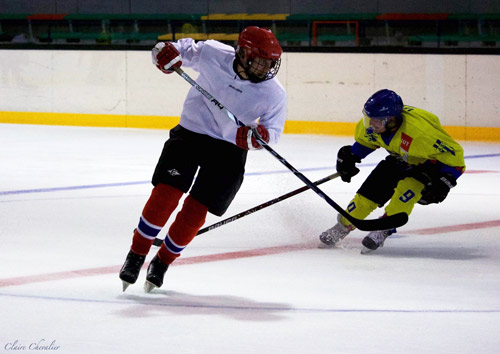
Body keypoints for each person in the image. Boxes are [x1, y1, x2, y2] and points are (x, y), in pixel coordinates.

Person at [119, 26, 286, 292]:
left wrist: (258, 138)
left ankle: (162, 262)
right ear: (243, 53)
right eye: (261, 61)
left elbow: (272, 132)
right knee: (166, 195)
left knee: (196, 212)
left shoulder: (274, 93)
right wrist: (163, 54)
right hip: (191, 134)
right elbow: (175, 51)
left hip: (230, 149)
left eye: (271, 63)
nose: (266, 69)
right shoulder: (212, 52)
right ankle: (136, 253)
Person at [319, 89, 465, 251]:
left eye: (377, 121)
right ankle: (343, 226)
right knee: (367, 195)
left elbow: (456, 159)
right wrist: (351, 156)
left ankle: (384, 228)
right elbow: (367, 142)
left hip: (427, 167)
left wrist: (445, 182)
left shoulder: (421, 134)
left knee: (404, 194)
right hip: (399, 159)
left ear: (393, 120)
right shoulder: (373, 125)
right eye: (369, 119)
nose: (371, 125)